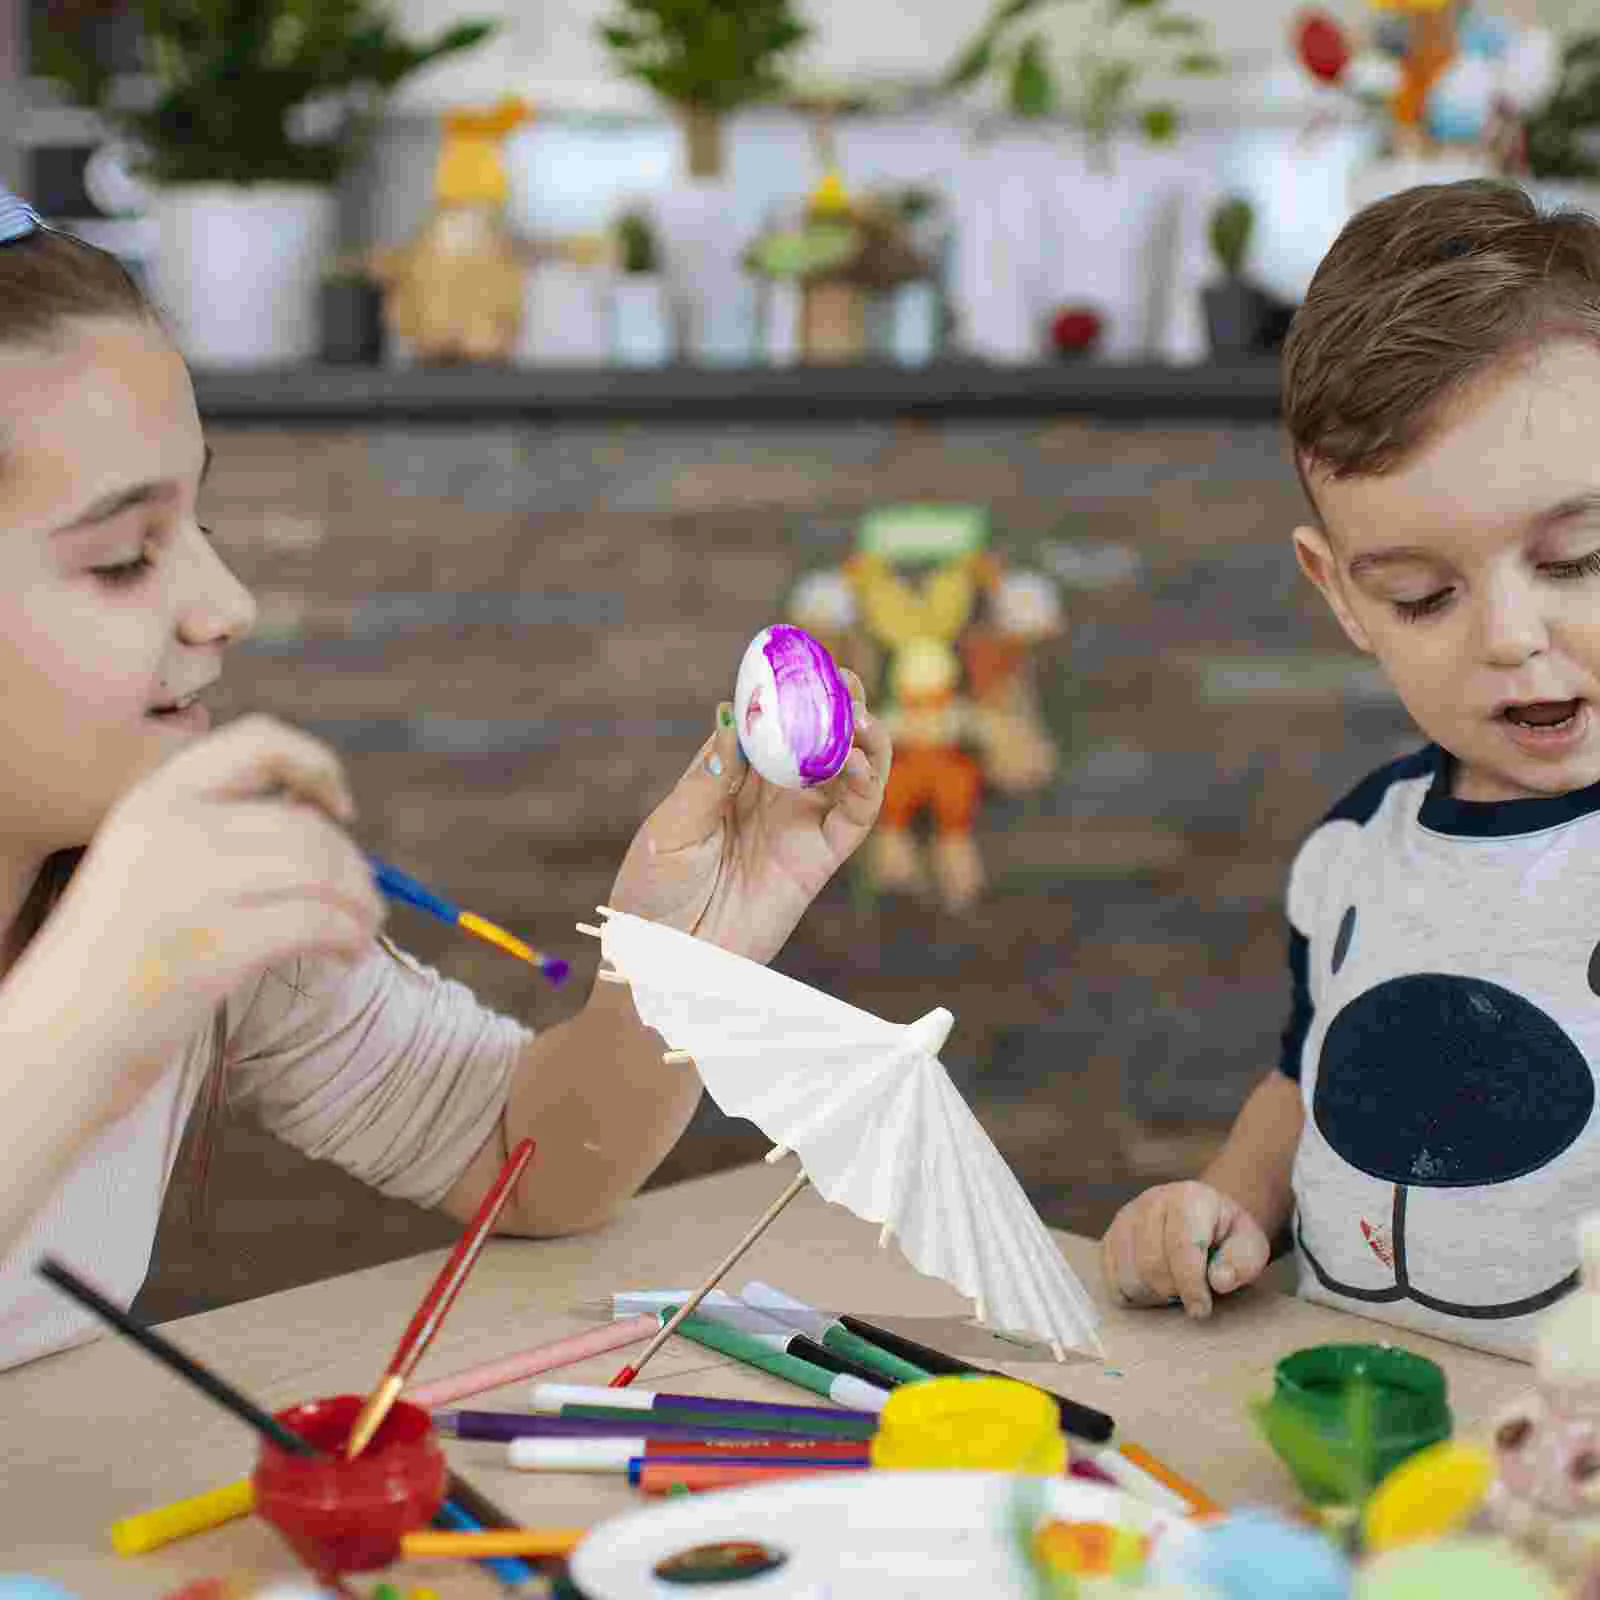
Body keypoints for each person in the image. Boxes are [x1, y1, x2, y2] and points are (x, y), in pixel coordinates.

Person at [0, 190, 891, 1372]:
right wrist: (101, 996)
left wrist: (683, 965)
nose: (226, 604)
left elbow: (526, 1157)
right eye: (123, 558)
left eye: (199, 521)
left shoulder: (171, 893)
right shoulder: (149, 926)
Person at [1102, 179, 1600, 1360]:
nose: (1508, 637)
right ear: (1340, 594)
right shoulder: (1355, 847)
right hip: (1357, 1424)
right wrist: (1225, 1205)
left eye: (1577, 559)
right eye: (1422, 595)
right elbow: (1305, 1077)